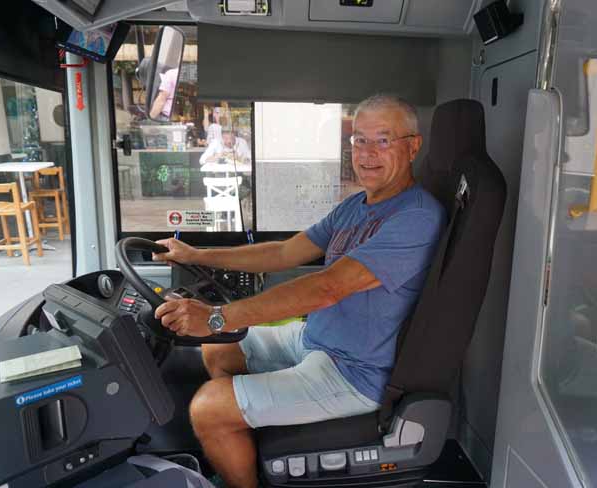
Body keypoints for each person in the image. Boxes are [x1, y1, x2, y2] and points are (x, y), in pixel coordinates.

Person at [152, 94, 446, 488]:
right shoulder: (357, 206)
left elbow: (328, 287)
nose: (368, 153)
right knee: (219, 346)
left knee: (207, 407)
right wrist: (196, 253)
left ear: (412, 146)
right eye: (359, 140)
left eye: (383, 140)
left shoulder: (416, 217)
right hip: (315, 338)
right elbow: (285, 251)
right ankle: (246, 443)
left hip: (353, 372)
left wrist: (217, 315)